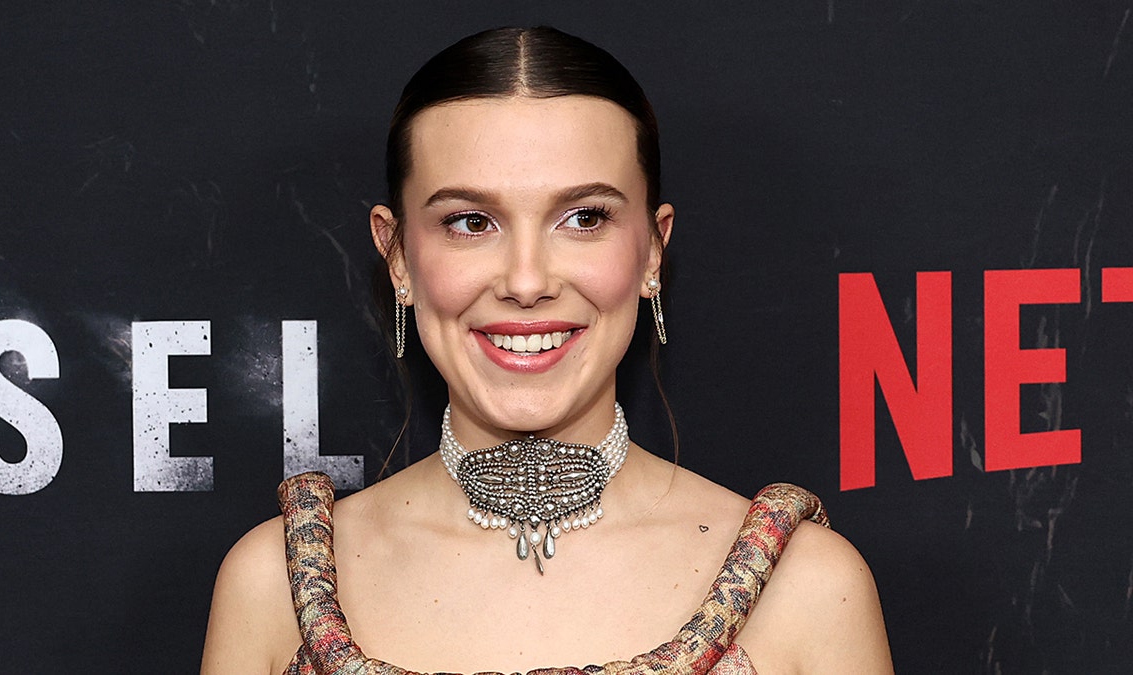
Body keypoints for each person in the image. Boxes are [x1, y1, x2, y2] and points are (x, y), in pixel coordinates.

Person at [201, 26, 892, 675]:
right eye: (471, 222)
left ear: (653, 249)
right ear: (398, 255)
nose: (527, 281)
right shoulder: (270, 588)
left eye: (584, 218)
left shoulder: (807, 590)